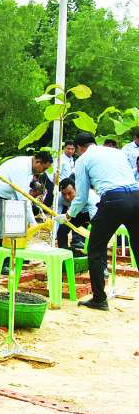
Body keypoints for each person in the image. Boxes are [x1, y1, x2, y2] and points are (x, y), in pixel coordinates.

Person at [58, 133, 139, 310]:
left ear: (79, 148)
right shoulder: (116, 152)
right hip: (136, 196)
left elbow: (81, 197)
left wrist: (68, 216)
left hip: (113, 200)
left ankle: (99, 299)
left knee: (95, 249)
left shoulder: (83, 160)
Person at [0, 152, 53, 271]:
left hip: (3, 197)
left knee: (14, 227)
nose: (43, 172)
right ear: (38, 162)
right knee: (2, 231)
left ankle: (13, 257)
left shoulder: (29, 169)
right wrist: (33, 223)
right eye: (43, 168)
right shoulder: (21, 168)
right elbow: (23, 198)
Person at [57, 177, 99, 252]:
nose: (67, 197)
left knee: (93, 230)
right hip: (75, 213)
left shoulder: (89, 197)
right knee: (62, 228)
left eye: (69, 193)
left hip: (90, 212)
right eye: (64, 194)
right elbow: (57, 216)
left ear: (76, 189)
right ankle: (63, 251)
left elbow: (95, 221)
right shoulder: (60, 198)